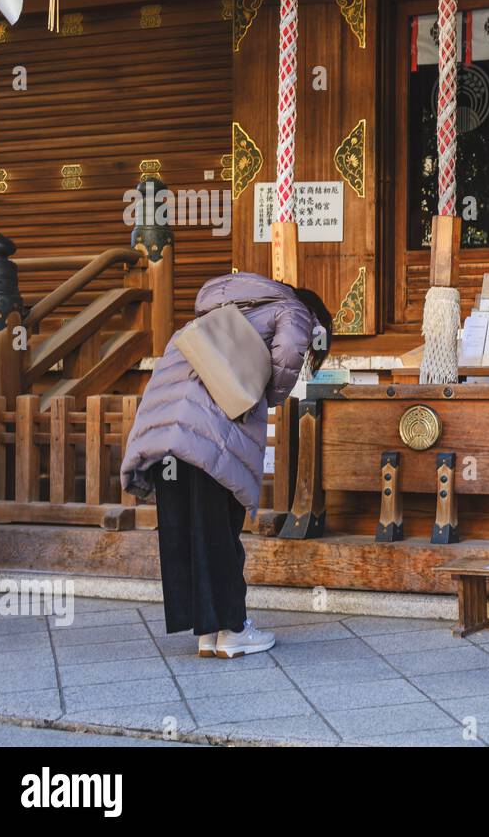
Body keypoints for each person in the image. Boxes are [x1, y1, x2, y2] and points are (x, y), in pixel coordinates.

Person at [120, 273, 332, 659]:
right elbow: (290, 349)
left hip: (165, 431)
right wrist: (264, 394)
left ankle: (207, 633)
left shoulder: (213, 312)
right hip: (212, 430)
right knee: (218, 528)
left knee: (185, 529)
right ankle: (233, 630)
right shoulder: (294, 309)